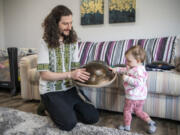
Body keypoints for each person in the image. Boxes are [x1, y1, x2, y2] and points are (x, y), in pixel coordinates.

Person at [37, 5, 99, 131]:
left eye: (71, 23)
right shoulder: (44, 42)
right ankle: (46, 104)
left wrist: (97, 72)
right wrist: (70, 75)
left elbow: (75, 67)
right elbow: (44, 74)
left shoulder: (72, 40)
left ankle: (63, 109)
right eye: (65, 24)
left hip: (69, 88)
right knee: (68, 124)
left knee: (92, 117)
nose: (69, 27)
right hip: (51, 90)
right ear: (55, 23)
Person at [110, 45, 157, 134]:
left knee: (127, 110)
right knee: (139, 111)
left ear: (138, 61)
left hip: (133, 96)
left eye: (129, 61)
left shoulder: (138, 70)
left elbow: (139, 82)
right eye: (126, 60)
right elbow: (124, 69)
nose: (127, 62)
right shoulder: (132, 67)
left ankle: (127, 126)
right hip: (141, 97)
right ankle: (151, 122)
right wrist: (115, 69)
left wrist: (127, 79)